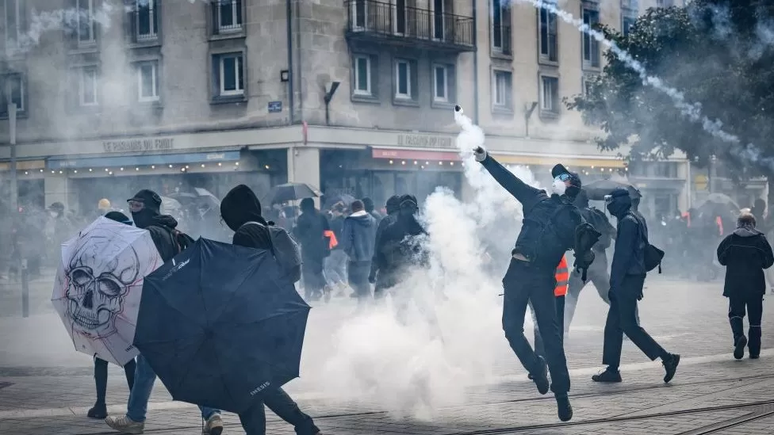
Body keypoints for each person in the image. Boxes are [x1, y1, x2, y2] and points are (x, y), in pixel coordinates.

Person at [474, 143, 597, 422]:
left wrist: (586, 254)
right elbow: (509, 181)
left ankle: (562, 395)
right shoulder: (536, 199)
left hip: (543, 278)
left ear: (570, 187)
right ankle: (536, 368)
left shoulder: (574, 218)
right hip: (516, 272)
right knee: (510, 329)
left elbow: (583, 254)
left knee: (552, 339)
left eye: (562, 177)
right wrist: (486, 160)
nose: (556, 179)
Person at [106, 190, 223, 435]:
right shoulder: (174, 232)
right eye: (131, 204)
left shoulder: (148, 234)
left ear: (149, 208)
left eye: (138, 206)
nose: (133, 210)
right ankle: (211, 413)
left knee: (147, 367)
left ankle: (136, 418)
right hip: (182, 310)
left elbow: (136, 270)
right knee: (159, 366)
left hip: (158, 312)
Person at [219, 185, 323, 435]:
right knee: (255, 380)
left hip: (252, 317)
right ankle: (304, 426)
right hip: (274, 313)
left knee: (249, 382)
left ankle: (303, 425)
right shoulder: (267, 229)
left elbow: (246, 277)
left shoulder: (245, 234)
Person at [592, 188, 680, 384]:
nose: (609, 205)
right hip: (633, 277)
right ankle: (612, 370)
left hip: (626, 279)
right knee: (614, 325)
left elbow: (622, 257)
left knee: (629, 326)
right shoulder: (636, 217)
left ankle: (668, 358)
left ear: (620, 202)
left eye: (611, 200)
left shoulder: (627, 222)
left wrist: (614, 284)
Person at [86, 211, 138, 420]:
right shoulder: (131, 248)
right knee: (128, 358)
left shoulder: (97, 249)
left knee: (100, 358)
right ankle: (135, 407)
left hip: (101, 310)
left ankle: (100, 404)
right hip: (125, 310)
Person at [717, 212, 774, 360]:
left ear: (738, 223)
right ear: (753, 224)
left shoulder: (730, 239)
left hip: (735, 283)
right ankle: (754, 351)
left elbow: (721, 258)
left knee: (735, 313)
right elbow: (768, 261)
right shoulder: (760, 240)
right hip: (755, 284)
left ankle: (739, 337)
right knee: (755, 319)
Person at [564, 189, 617, 333]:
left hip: (584, 263)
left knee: (571, 295)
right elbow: (614, 234)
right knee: (609, 296)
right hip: (601, 262)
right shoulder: (599, 214)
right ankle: (628, 323)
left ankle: (563, 330)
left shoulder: (576, 215)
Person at [341, 200, 377, 306]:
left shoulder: (350, 221)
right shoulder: (373, 220)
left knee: (353, 280)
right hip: (370, 256)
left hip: (356, 257)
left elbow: (346, 240)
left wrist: (351, 254)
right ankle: (365, 305)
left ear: (353, 209)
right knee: (364, 281)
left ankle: (366, 305)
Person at [294, 198, 330, 301]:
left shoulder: (301, 218)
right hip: (320, 246)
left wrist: (294, 229)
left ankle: (309, 294)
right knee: (318, 270)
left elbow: (300, 235)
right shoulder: (321, 216)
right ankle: (324, 286)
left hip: (307, 248)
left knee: (307, 272)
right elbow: (328, 232)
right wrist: (327, 246)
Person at [533, 255, 569, 359]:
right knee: (546, 327)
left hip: (550, 290)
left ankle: (544, 361)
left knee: (542, 326)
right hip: (551, 290)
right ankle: (545, 360)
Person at [369, 195, 401, 295]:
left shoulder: (386, 221)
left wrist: (373, 271)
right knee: (402, 298)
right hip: (405, 268)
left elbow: (378, 247)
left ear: (392, 207)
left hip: (387, 266)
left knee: (379, 296)